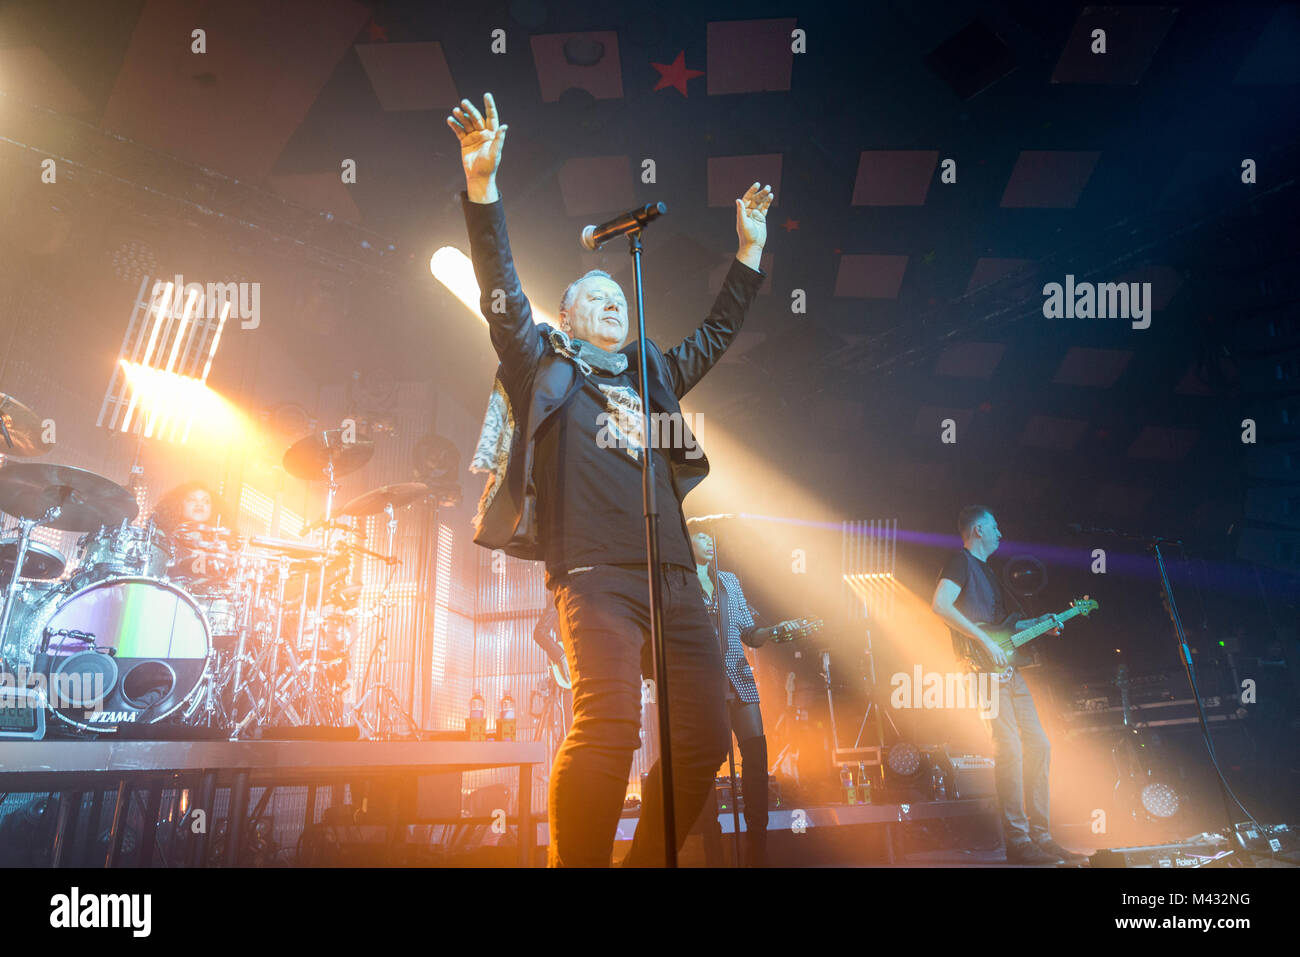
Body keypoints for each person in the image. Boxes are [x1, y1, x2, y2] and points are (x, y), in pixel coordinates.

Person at [447, 93, 772, 866]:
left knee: (702, 738)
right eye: (594, 296)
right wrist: (484, 189)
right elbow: (501, 292)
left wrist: (750, 252)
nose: (612, 303)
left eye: (619, 297)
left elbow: (716, 336)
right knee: (610, 726)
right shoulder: (544, 367)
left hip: (674, 577)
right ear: (565, 317)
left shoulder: (653, 372)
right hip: (593, 574)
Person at [930, 506, 1085, 865]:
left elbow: (1006, 628)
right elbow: (939, 606)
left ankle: (1041, 836)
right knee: (1010, 751)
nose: (1001, 533)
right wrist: (985, 642)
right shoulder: (959, 561)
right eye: (995, 527)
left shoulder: (990, 572)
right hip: (980, 672)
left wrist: (1044, 623)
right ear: (979, 530)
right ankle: (1018, 841)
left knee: (1040, 746)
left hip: (1010, 673)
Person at [690, 529, 803, 866]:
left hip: (738, 675)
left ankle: (758, 841)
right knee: (707, 762)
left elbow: (748, 632)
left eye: (713, 538)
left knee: (756, 756)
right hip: (701, 681)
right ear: (686, 540)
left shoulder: (728, 580)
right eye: (701, 537)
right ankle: (710, 845)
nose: (710, 542)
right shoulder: (678, 578)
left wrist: (775, 631)